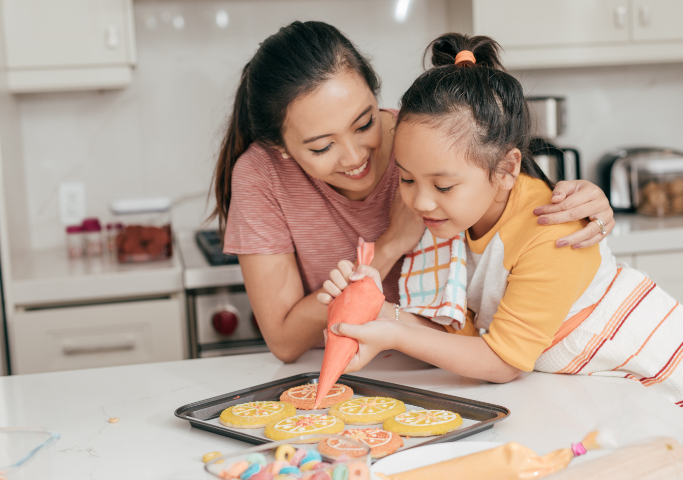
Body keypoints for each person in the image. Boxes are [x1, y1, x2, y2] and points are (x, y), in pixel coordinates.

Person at [319, 33, 683, 443]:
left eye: (443, 186)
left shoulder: (552, 229)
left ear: (506, 170)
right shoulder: (454, 221)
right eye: (408, 179)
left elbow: (501, 362)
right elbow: (468, 346)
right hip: (608, 391)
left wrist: (391, 329)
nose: (420, 201)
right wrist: (377, 308)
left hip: (677, 386)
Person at [212, 21, 616, 363]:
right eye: (322, 147)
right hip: (354, 371)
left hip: (455, 368)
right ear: (280, 147)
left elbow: (510, 203)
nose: (355, 157)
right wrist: (387, 247)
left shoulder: (421, 139)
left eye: (365, 122)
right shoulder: (260, 176)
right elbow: (284, 342)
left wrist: (585, 205)